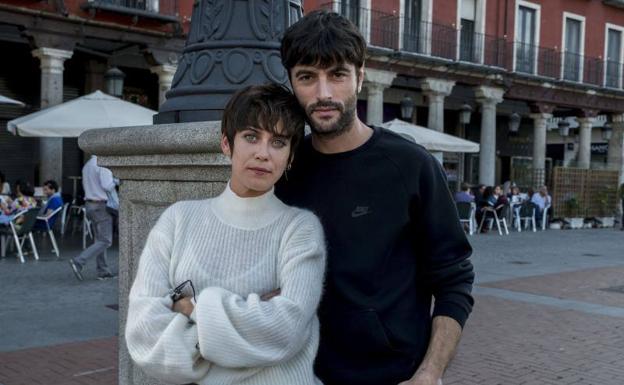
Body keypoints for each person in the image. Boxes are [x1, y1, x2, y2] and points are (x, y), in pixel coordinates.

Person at [276, 10, 474, 385]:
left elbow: (454, 281)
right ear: (291, 83)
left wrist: (429, 374)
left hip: (392, 375)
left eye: (337, 74)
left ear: (360, 77)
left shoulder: (412, 165)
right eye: (307, 77)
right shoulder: (283, 170)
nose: (323, 93)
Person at [125, 84, 326, 385]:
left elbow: (286, 331)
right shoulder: (178, 220)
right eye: (251, 136)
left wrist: (191, 308)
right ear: (226, 144)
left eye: (279, 142)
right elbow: (144, 336)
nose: (263, 153)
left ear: (291, 156)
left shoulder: (299, 228)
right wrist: (251, 318)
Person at [68, 155, 116, 281]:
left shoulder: (88, 165)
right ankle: (78, 261)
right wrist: (117, 181)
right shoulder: (103, 164)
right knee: (106, 241)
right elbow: (107, 185)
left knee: (99, 240)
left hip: (90, 204)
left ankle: (103, 270)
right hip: (100, 205)